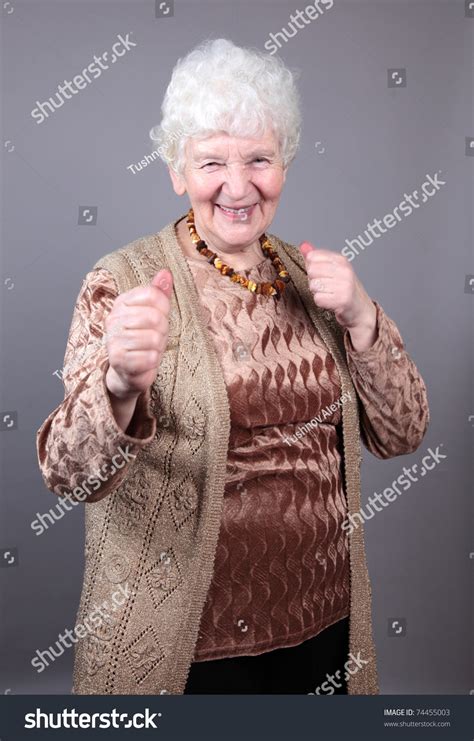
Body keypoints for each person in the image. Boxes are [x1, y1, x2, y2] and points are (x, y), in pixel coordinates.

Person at [36, 38, 430, 695]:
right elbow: (69, 475)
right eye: (211, 160)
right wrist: (118, 386)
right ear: (175, 168)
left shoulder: (312, 278)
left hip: (323, 625)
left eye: (259, 158)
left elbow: (404, 431)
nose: (238, 185)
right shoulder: (123, 282)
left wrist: (363, 320)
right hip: (190, 648)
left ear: (286, 163)